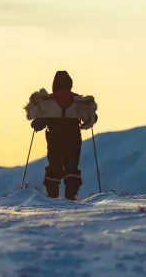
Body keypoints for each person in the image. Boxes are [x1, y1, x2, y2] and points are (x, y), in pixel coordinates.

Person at [25, 71, 98, 200]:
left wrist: (39, 123)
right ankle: (71, 193)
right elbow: (91, 117)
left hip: (54, 137)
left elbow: (41, 119)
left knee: (54, 165)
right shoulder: (78, 101)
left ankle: (52, 195)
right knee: (72, 164)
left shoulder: (48, 102)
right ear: (70, 84)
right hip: (73, 135)